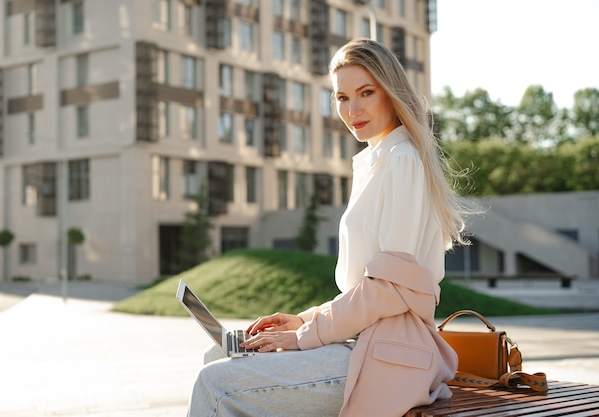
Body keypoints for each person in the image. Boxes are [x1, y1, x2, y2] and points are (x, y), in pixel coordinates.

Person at [187, 38, 470, 417]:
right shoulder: (375, 161)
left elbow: (389, 290)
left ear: (391, 92)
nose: (352, 110)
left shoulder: (401, 160)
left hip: (387, 354)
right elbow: (366, 290)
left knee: (217, 384)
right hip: (361, 341)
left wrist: (304, 335)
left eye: (366, 92)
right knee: (218, 352)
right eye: (341, 98)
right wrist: (303, 319)